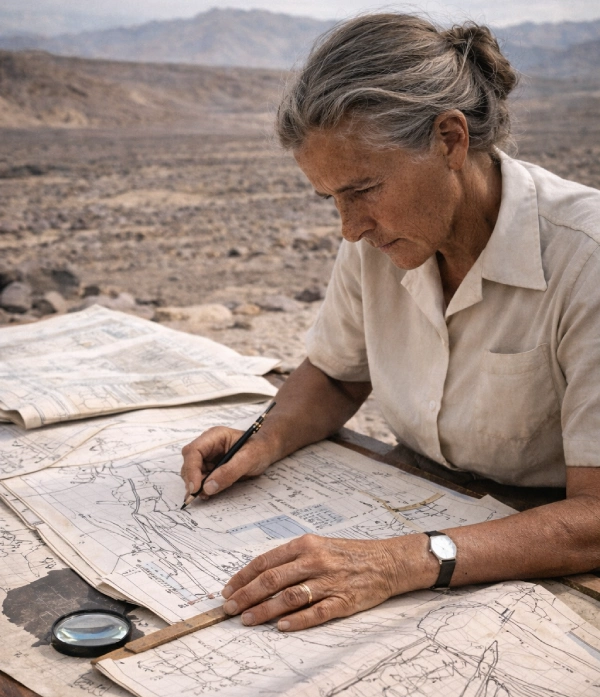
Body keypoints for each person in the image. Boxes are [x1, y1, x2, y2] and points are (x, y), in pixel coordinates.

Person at [181, 13, 600, 632]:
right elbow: (337, 375)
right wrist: (264, 439)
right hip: (419, 502)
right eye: (333, 200)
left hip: (541, 545)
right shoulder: (379, 242)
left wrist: (405, 559)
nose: (350, 228)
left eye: (364, 190)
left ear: (450, 140)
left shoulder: (584, 257)